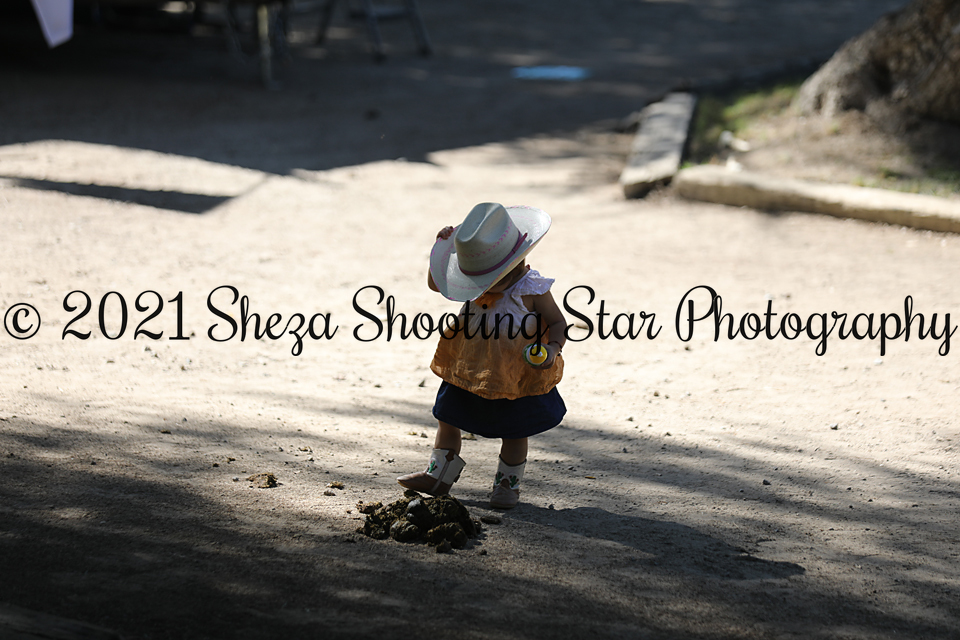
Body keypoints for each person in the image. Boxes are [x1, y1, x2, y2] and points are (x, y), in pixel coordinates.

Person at [397, 202, 567, 509]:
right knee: (447, 417)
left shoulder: (533, 289)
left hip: (514, 374)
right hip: (468, 367)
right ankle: (438, 475)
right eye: (481, 279)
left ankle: (507, 486)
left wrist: (553, 349)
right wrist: (441, 250)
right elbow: (436, 284)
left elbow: (557, 323)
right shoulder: (474, 283)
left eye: (493, 278)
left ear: (517, 263)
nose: (484, 286)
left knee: (515, 431)